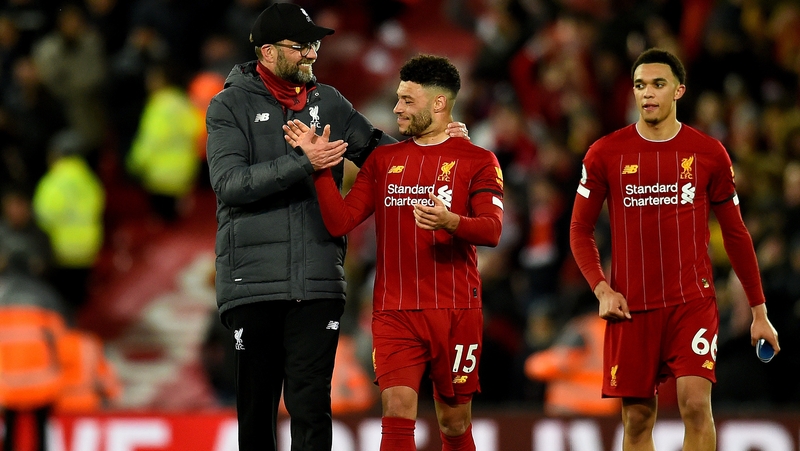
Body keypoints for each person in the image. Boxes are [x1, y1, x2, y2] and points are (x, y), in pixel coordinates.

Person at [204, 4, 467, 451]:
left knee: (311, 408)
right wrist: (302, 162)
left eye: (315, 44)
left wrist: (436, 146)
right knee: (256, 413)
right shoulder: (228, 106)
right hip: (253, 283)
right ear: (267, 52)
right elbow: (229, 184)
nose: (311, 53)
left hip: (318, 281)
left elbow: (385, 160)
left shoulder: (330, 102)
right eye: (301, 45)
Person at [288, 54, 504, 451]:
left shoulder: (478, 160)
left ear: (438, 104)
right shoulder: (384, 161)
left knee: (454, 424)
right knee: (396, 413)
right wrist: (319, 169)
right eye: (397, 98)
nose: (396, 108)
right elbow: (341, 221)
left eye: (406, 99)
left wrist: (450, 221)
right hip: (394, 312)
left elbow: (492, 230)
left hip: (456, 309)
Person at [569, 48, 780, 450]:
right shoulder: (604, 153)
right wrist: (602, 289)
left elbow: (736, 234)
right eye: (639, 85)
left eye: (658, 84)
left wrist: (759, 312)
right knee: (636, 418)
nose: (647, 93)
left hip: (692, 302)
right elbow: (579, 229)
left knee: (696, 406)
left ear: (679, 90)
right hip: (630, 307)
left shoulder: (709, 153)